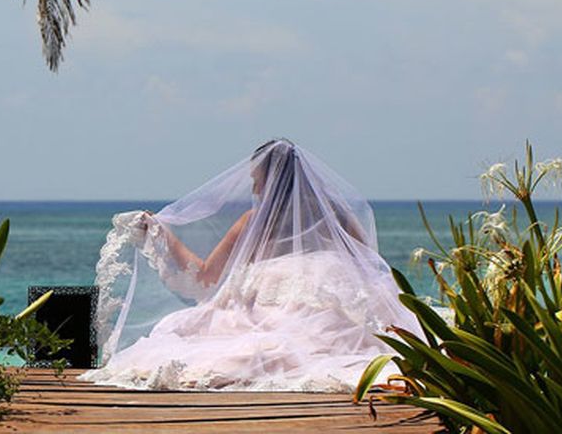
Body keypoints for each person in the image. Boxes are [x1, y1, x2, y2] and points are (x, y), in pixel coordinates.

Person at [79, 139, 421, 391]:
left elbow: (204, 278)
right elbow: (369, 266)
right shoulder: (336, 216)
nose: (254, 187)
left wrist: (163, 235)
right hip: (334, 321)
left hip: (275, 318)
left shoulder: (254, 221)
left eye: (257, 180)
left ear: (271, 182)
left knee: (205, 340)